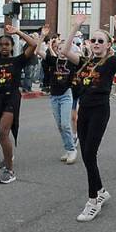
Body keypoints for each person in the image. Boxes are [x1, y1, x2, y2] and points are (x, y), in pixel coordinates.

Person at [62, 12, 116, 222]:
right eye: (93, 40)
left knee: (90, 154)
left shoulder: (111, 62)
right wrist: (75, 26)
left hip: (100, 111)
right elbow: (65, 50)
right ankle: (101, 190)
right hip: (84, 110)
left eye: (100, 41)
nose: (95, 43)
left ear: (108, 45)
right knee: (86, 154)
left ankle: (93, 201)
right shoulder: (84, 61)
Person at [0, 24, 43, 184]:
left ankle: (10, 169)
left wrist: (17, 31)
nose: (4, 47)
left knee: (3, 131)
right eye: (1, 45)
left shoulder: (18, 61)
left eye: (7, 44)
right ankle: (8, 156)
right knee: (1, 133)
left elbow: (33, 44)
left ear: (12, 46)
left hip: (11, 98)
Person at [40, 35, 79, 163]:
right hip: (54, 97)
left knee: (65, 124)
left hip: (66, 95)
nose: (62, 51)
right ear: (57, 50)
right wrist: (42, 36)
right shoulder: (53, 61)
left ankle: (72, 150)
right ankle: (68, 149)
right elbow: (37, 51)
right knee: (59, 126)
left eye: (65, 49)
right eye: (60, 49)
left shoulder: (72, 63)